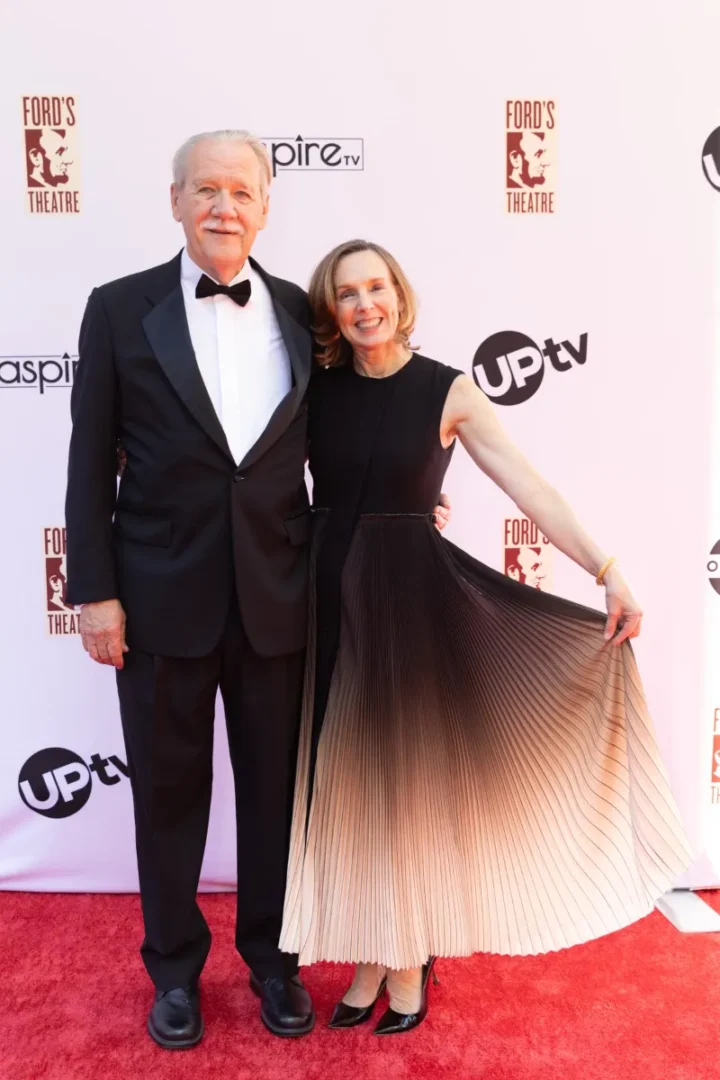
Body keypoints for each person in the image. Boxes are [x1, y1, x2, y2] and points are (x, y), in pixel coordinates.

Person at [65, 128, 450, 1049]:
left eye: (241, 191)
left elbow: (355, 430)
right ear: (175, 201)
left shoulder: (297, 312)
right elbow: (88, 460)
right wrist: (95, 590)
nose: (222, 206)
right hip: (156, 598)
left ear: (267, 206)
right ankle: (173, 972)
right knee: (166, 792)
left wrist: (405, 508)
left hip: (283, 594)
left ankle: (274, 963)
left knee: (278, 795)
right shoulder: (118, 310)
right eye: (205, 190)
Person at [279, 239, 692, 1036]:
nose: (365, 305)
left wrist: (605, 566)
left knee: (406, 785)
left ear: (399, 295)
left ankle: (406, 959)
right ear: (331, 310)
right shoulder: (316, 392)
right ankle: (370, 946)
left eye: (376, 287)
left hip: (409, 603)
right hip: (326, 594)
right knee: (347, 782)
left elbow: (527, 482)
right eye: (346, 294)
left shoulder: (449, 390)